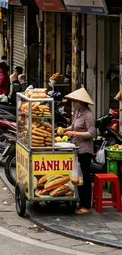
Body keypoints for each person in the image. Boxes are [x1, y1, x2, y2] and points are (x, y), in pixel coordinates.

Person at [63, 87, 95, 215]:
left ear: (81, 102)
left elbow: (91, 133)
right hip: (76, 148)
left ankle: (86, 206)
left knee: (85, 178)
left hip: (85, 151)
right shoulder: (77, 112)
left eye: (75, 101)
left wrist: (75, 133)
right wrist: (65, 130)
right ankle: (80, 202)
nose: (73, 103)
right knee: (78, 178)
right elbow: (73, 126)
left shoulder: (88, 115)